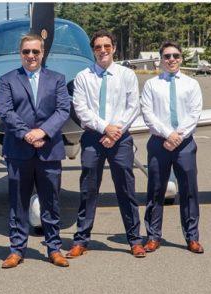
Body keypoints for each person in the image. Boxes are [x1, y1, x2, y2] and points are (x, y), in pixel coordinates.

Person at [67, 30, 146, 259]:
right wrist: (105, 128)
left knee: (126, 189)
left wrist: (115, 130)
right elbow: (81, 109)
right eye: (98, 47)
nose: (103, 50)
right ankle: (81, 240)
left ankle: (134, 240)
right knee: (88, 190)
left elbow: (134, 106)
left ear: (114, 48)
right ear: (93, 50)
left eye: (107, 46)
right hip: (93, 137)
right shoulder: (83, 77)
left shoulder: (126, 75)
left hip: (121, 138)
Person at [0, 34, 72, 268]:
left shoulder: (58, 79)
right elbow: (5, 111)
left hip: (49, 151)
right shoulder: (8, 79)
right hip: (19, 150)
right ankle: (16, 250)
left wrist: (43, 132)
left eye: (35, 52)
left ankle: (54, 249)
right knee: (17, 203)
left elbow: (63, 109)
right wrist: (27, 133)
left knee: (51, 203)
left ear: (42, 53)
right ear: (20, 53)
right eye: (26, 52)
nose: (31, 56)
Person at [139, 41, 204, 254]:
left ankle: (192, 237)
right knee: (156, 191)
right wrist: (167, 134)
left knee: (189, 191)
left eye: (175, 55)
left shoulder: (191, 84)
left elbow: (195, 113)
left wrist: (178, 136)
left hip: (184, 144)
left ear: (181, 58)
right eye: (167, 56)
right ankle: (153, 236)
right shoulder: (151, 85)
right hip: (159, 143)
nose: (172, 59)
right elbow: (147, 113)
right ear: (161, 59)